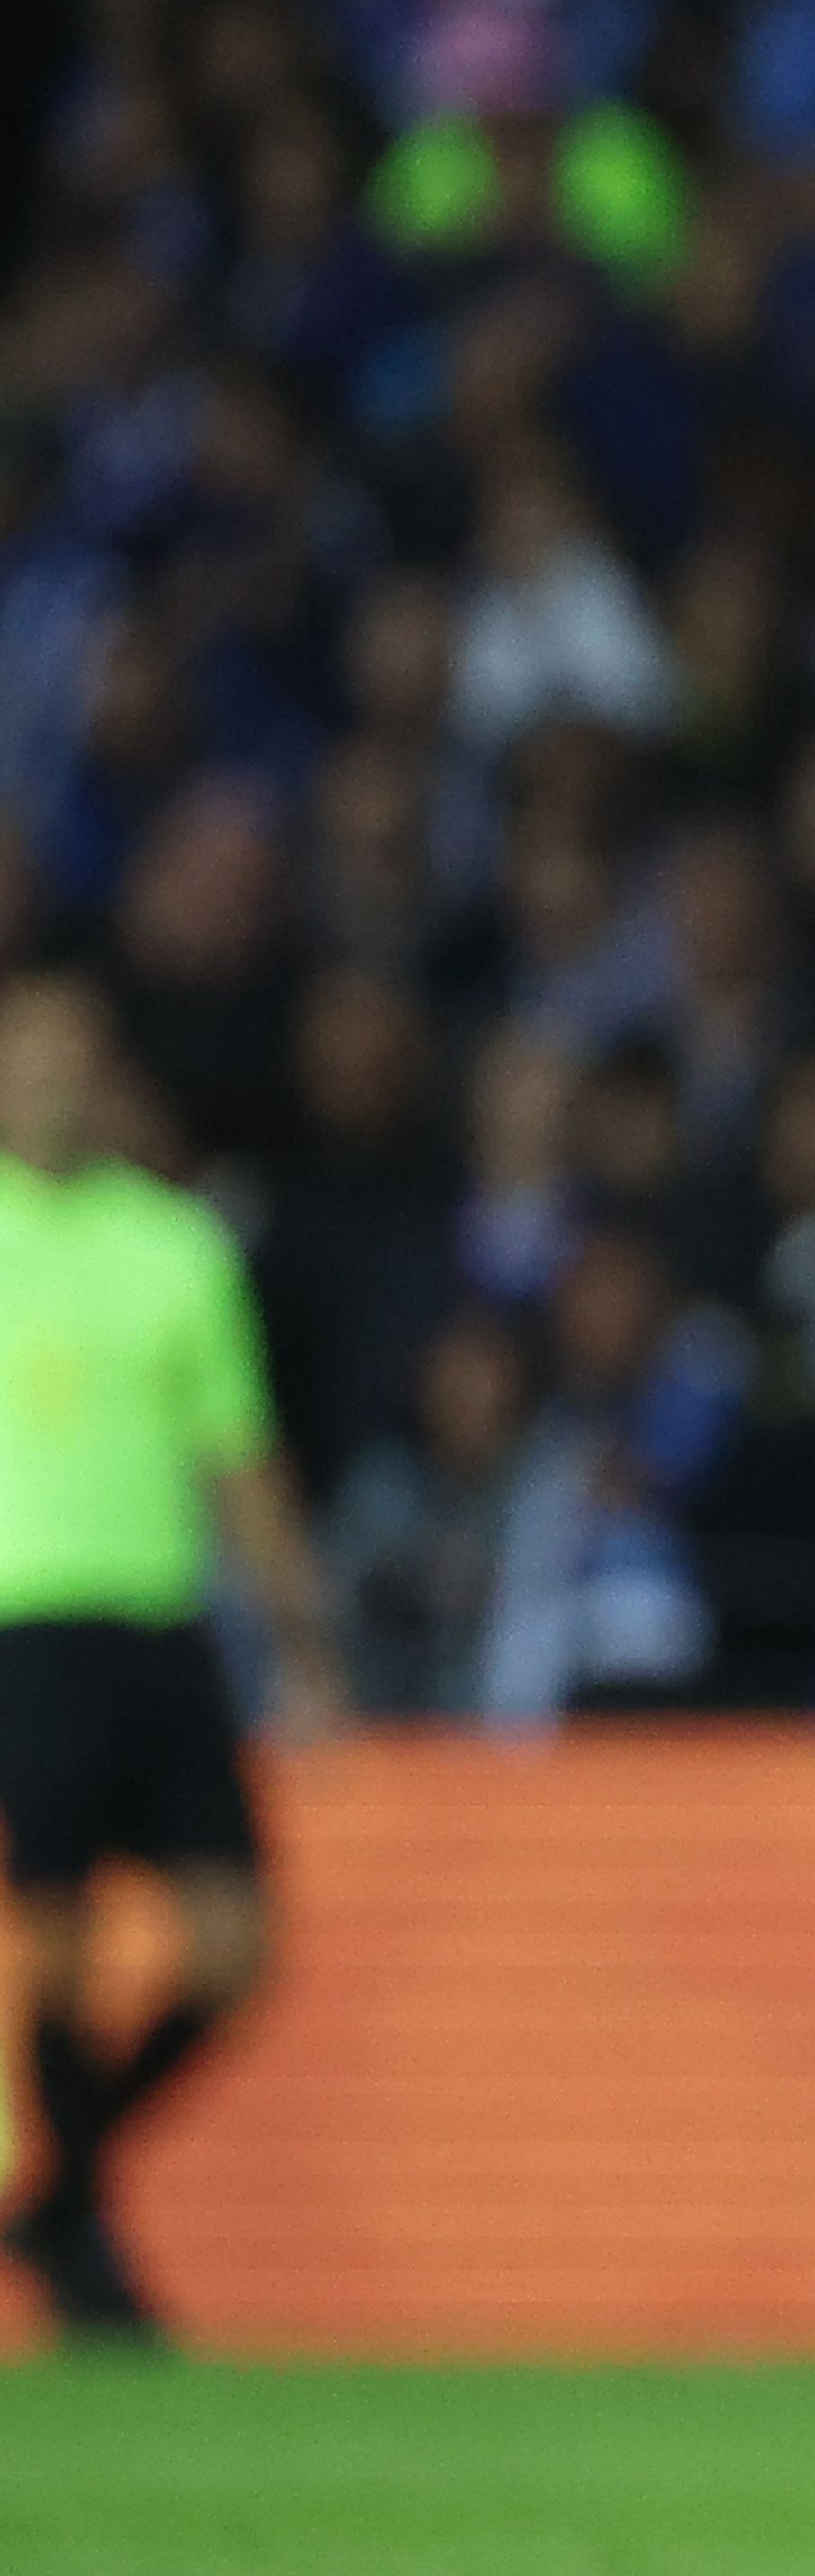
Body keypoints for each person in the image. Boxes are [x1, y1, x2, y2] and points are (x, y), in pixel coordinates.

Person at [0, 972, 353, 2344]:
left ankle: (63, 2190)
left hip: (160, 1630)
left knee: (236, 1949)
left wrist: (304, 1642)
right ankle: (80, 2246)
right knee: (60, 1944)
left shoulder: (175, 1246)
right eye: (30, 1058)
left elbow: (241, 1460)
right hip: (24, 1626)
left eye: (76, 1060)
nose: (53, 1083)